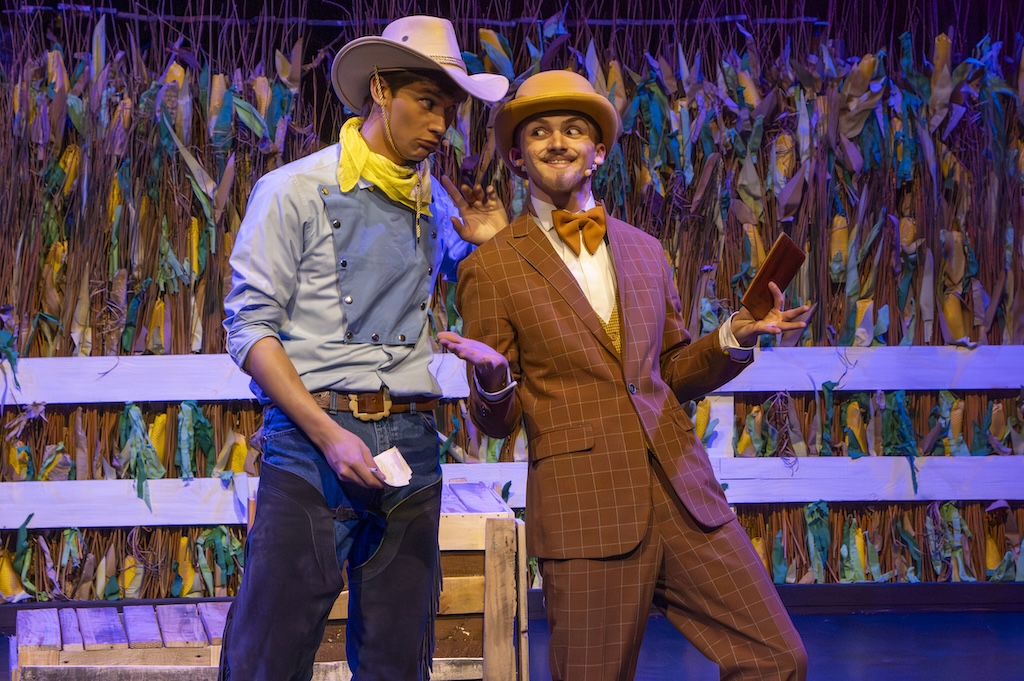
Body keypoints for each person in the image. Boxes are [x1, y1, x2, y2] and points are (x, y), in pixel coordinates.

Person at [439, 70, 809, 681]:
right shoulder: (494, 269)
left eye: (574, 129)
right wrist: (497, 378)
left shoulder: (646, 249)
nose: (557, 142)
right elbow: (497, 422)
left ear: (599, 151)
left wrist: (733, 336)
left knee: (777, 658)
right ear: (515, 155)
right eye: (539, 132)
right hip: (587, 510)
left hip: (684, 496)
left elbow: (670, 373)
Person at [219, 16, 508, 681]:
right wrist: (328, 435)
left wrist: (494, 241)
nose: (441, 124)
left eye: (450, 109)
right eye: (428, 102)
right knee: (268, 651)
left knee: (398, 660)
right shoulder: (297, 189)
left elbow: (495, 298)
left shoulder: (435, 202)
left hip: (410, 441)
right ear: (380, 89)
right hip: (314, 440)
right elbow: (250, 328)